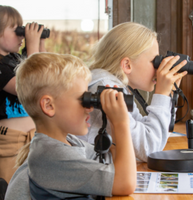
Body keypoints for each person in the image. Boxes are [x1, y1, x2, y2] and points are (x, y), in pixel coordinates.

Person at [5, 52, 136, 199]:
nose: (90, 108)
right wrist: (121, 123)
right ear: (49, 105)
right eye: (83, 98)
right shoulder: (52, 156)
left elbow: (113, 159)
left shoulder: (68, 142)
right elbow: (125, 183)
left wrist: (112, 117)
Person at [77, 22, 188, 162]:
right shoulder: (106, 90)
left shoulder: (113, 85)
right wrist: (162, 95)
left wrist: (169, 95)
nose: (158, 69)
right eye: (155, 61)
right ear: (127, 65)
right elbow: (149, 149)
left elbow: (143, 128)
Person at [0, 5, 46, 183]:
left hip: (31, 137)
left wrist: (39, 45)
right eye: (16, 29)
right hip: (10, 141)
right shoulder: (2, 66)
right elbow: (28, 87)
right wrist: (32, 46)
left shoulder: (15, 59)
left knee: (29, 188)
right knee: (9, 187)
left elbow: (43, 78)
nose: (22, 35)